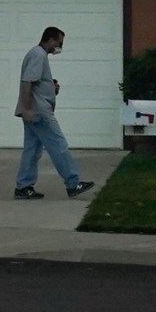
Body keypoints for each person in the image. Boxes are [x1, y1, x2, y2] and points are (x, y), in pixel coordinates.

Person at [14, 25, 99, 200]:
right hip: (39, 112)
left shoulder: (36, 54)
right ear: (51, 39)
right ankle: (73, 182)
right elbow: (27, 82)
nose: (59, 47)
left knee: (32, 149)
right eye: (58, 43)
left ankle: (24, 186)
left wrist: (51, 86)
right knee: (58, 145)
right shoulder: (38, 55)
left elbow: (36, 82)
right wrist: (28, 108)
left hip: (34, 111)